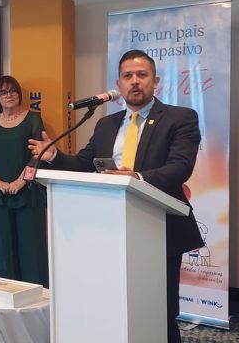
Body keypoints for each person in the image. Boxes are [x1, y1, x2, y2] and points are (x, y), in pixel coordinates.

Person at [28, 50, 203, 343]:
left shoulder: (180, 118)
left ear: (155, 81)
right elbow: (83, 163)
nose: (135, 81)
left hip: (159, 228)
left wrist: (136, 178)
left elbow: (180, 167)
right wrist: (54, 155)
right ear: (119, 84)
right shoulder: (106, 124)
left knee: (158, 309)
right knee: (113, 306)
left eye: (142, 75)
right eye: (127, 76)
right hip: (107, 231)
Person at [0, 75, 48, 286]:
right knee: (4, 247)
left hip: (28, 193)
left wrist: (20, 182)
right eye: (3, 92)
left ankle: (37, 294)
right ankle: (7, 293)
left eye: (13, 91)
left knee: (31, 248)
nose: (9, 95)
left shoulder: (33, 119)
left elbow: (38, 155)